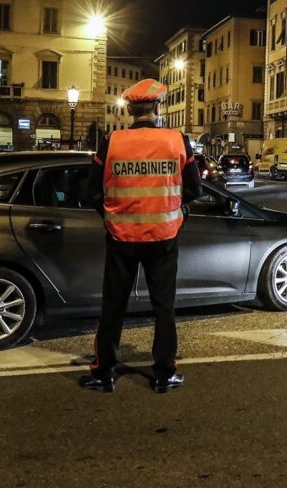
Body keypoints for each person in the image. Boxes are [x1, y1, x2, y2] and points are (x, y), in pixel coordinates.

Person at [79, 78, 202, 393]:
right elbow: (194, 190)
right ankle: (163, 374)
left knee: (114, 305)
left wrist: (110, 215)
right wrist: (175, 208)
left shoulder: (112, 142)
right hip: (163, 236)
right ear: (158, 107)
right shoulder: (177, 141)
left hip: (121, 237)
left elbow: (92, 192)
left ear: (130, 110)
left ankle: (104, 373)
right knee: (163, 306)